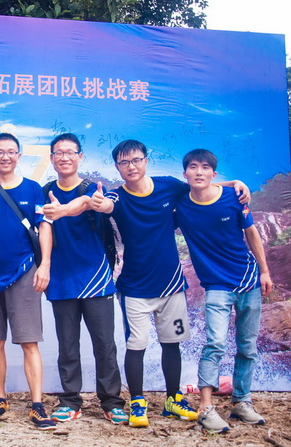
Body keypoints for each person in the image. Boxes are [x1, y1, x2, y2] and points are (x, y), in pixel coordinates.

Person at [90, 139, 249, 428]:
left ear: (145, 161)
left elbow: (200, 185)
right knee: (136, 345)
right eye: (124, 162)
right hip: (135, 288)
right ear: (117, 166)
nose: (131, 166)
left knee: (171, 344)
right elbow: (106, 204)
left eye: (136, 160)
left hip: (171, 285)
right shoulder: (117, 197)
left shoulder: (168, 185)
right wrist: (100, 204)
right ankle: (137, 402)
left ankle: (173, 400)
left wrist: (234, 183)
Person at [175, 149, 272, 434]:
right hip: (216, 284)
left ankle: (242, 401)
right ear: (185, 173)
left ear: (214, 173)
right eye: (193, 167)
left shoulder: (233, 198)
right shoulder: (181, 204)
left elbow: (251, 233)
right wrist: (235, 180)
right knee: (215, 343)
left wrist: (264, 271)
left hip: (248, 279)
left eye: (205, 167)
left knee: (247, 346)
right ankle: (206, 407)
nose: (199, 172)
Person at [0, 133, 55, 430]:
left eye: (11, 151)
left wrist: (44, 264)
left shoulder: (33, 189)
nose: (5, 156)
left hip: (24, 271)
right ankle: (0, 398)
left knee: (29, 342)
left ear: (19, 155)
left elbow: (44, 227)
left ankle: (37, 405)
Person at [40, 133, 127, 425]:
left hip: (96, 277)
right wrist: (45, 265)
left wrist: (63, 211)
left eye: (70, 152)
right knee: (67, 346)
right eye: (59, 153)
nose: (64, 157)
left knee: (104, 344)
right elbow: (43, 226)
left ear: (80, 157)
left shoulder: (93, 188)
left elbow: (90, 203)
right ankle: (70, 401)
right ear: (51, 158)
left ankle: (112, 402)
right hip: (61, 278)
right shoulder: (45, 192)